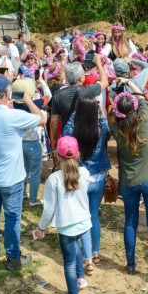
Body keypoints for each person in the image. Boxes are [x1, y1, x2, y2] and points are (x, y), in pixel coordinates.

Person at [0, 75, 46, 270]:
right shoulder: (13, 116)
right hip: (11, 178)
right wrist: (27, 100)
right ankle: (13, 257)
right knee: (12, 217)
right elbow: (41, 119)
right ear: (7, 92)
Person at [110, 79, 148, 278]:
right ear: (134, 109)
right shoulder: (143, 121)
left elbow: (114, 116)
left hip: (129, 183)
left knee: (130, 223)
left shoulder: (116, 130)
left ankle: (131, 263)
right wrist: (129, 83)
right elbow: (142, 98)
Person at [33, 136, 91, 294]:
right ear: (78, 154)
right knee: (76, 249)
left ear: (56, 157)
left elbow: (49, 209)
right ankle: (80, 279)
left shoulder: (54, 179)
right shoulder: (85, 173)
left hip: (66, 226)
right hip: (83, 222)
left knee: (69, 263)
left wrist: (40, 228)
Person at [63, 97, 111, 274]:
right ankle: (96, 252)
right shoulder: (99, 129)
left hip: (80, 178)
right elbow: (108, 132)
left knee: (82, 218)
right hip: (98, 178)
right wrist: (101, 113)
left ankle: (87, 257)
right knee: (93, 216)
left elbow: (65, 133)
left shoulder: (74, 130)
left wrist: (76, 112)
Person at [50, 59, 108, 148]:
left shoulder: (58, 94)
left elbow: (54, 121)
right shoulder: (88, 90)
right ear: (81, 78)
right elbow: (105, 82)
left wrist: (54, 141)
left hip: (68, 136)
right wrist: (99, 64)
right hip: (86, 134)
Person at [11, 77, 46, 207]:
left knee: (23, 171)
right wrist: (41, 82)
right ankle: (33, 199)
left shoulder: (13, 108)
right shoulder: (36, 108)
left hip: (20, 142)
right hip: (33, 143)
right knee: (35, 173)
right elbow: (48, 96)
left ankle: (22, 193)